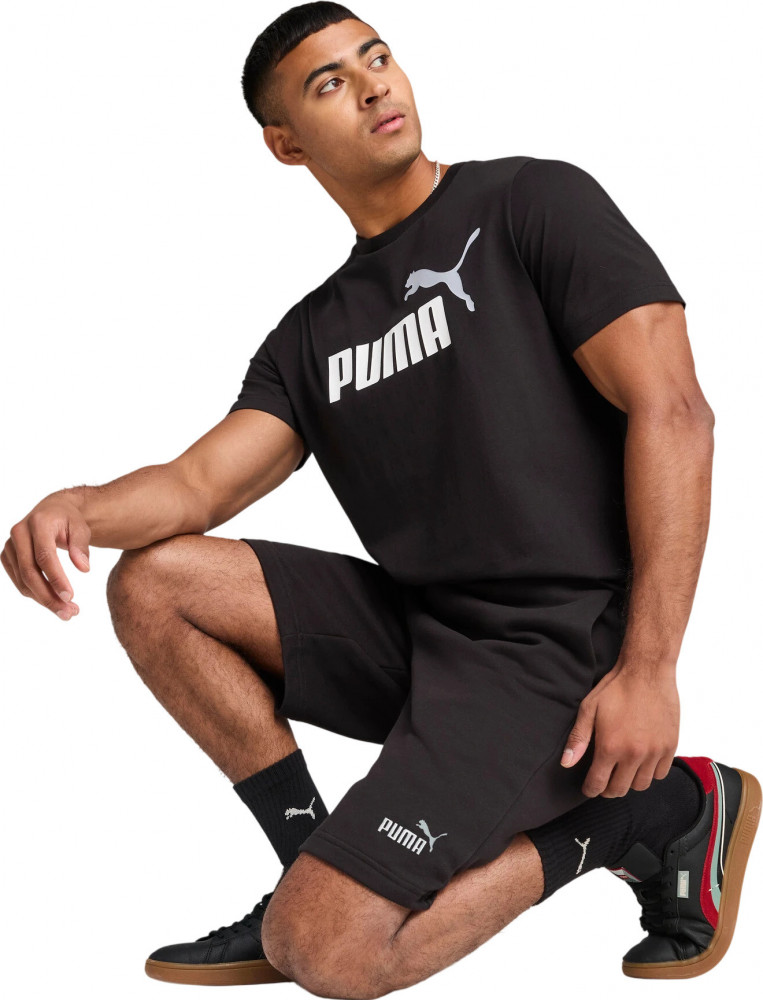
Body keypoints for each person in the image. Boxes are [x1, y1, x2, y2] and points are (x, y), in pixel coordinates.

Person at [3, 2, 760, 994]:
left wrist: (649, 665)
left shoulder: (532, 201)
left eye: (376, 57)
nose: (371, 86)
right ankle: (306, 871)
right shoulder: (310, 334)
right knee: (155, 584)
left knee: (328, 951)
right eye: (329, 83)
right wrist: (77, 506)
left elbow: (675, 412)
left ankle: (647, 814)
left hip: (554, 651)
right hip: (426, 632)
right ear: (286, 144)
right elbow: (197, 485)